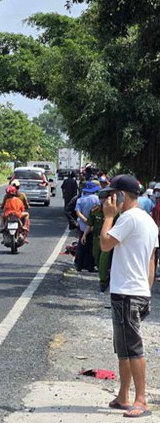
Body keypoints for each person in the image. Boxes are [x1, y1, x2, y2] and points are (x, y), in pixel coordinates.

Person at [99, 175, 158, 418]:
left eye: (114, 194)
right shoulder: (149, 222)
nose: (111, 199)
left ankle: (141, 400)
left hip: (126, 292)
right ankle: (124, 395)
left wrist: (109, 217)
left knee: (132, 348)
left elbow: (104, 244)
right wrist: (146, 290)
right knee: (123, 346)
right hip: (139, 291)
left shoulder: (128, 218)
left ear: (122, 195)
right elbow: (151, 261)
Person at [82, 191, 117, 293]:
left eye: (104, 198)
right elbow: (89, 223)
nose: (103, 200)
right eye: (101, 198)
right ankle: (105, 275)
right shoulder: (95, 210)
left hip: (109, 239)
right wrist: (84, 235)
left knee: (104, 260)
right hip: (97, 239)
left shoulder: (114, 211)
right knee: (96, 258)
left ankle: (104, 281)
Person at [75, 181, 101, 272]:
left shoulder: (80, 200)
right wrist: (90, 221)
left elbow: (78, 212)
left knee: (81, 246)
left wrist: (85, 220)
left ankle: (79, 266)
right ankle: (90, 267)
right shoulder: (97, 199)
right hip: (94, 226)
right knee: (91, 247)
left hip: (82, 226)